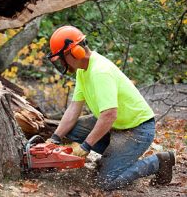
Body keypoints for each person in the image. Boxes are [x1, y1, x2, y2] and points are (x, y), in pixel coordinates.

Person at [46, 25, 175, 190]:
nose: (62, 63)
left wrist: (86, 146)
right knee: (72, 129)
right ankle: (117, 160)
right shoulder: (82, 70)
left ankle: (159, 161)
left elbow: (109, 115)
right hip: (115, 126)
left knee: (105, 183)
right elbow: (73, 108)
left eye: (62, 58)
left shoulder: (100, 71)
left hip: (137, 129)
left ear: (76, 52)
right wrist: (55, 138)